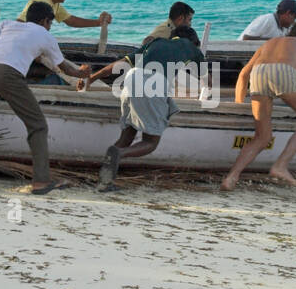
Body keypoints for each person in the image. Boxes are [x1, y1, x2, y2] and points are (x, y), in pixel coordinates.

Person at [0, 1, 92, 194]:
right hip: (8, 74)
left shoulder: (7, 24)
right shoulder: (46, 35)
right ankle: (41, 181)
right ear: (45, 21)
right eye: (50, 23)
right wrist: (83, 73)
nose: (49, 27)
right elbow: (65, 68)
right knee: (37, 125)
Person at [88, 25, 208, 191]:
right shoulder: (192, 48)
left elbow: (120, 64)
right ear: (194, 41)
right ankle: (120, 154)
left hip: (131, 78)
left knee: (127, 135)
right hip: (155, 82)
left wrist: (92, 78)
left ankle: (104, 182)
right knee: (151, 141)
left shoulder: (156, 42)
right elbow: (205, 77)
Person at [222, 19, 296, 190]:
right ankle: (280, 166)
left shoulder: (270, 42)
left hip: (258, 74)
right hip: (283, 73)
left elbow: (243, 75)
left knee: (262, 137)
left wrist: (238, 104)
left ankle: (231, 178)